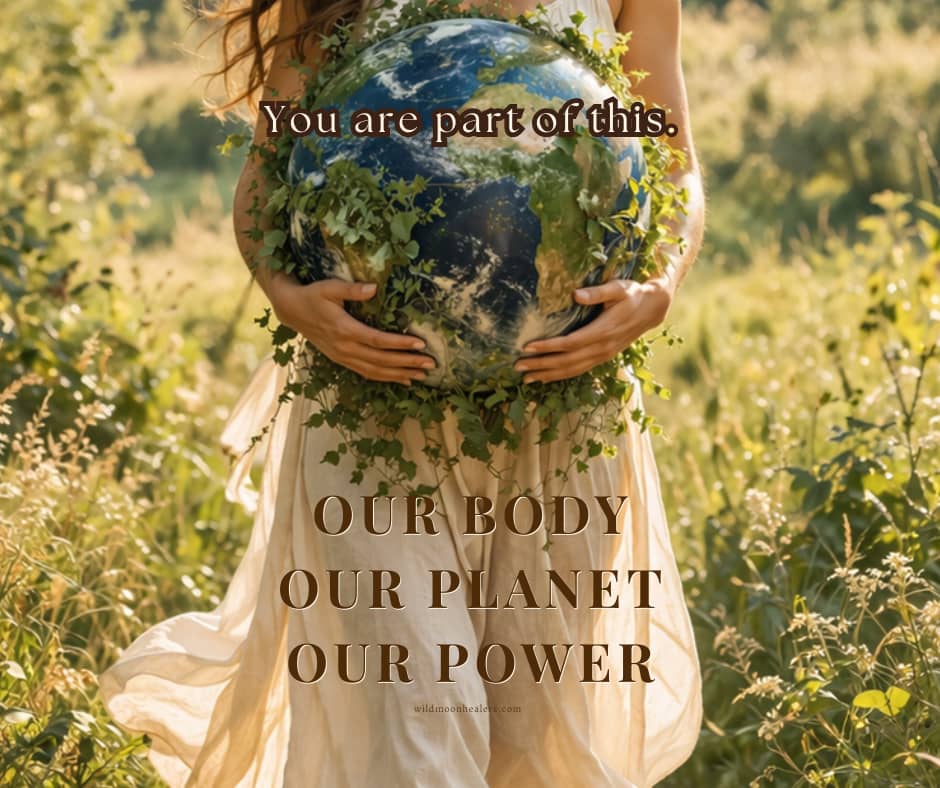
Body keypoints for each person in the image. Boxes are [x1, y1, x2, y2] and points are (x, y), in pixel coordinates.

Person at [98, 0, 706, 786]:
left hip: (560, 410)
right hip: (369, 405)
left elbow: (675, 164)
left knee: (536, 746)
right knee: (416, 727)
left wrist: (660, 282)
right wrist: (288, 295)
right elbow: (265, 174)